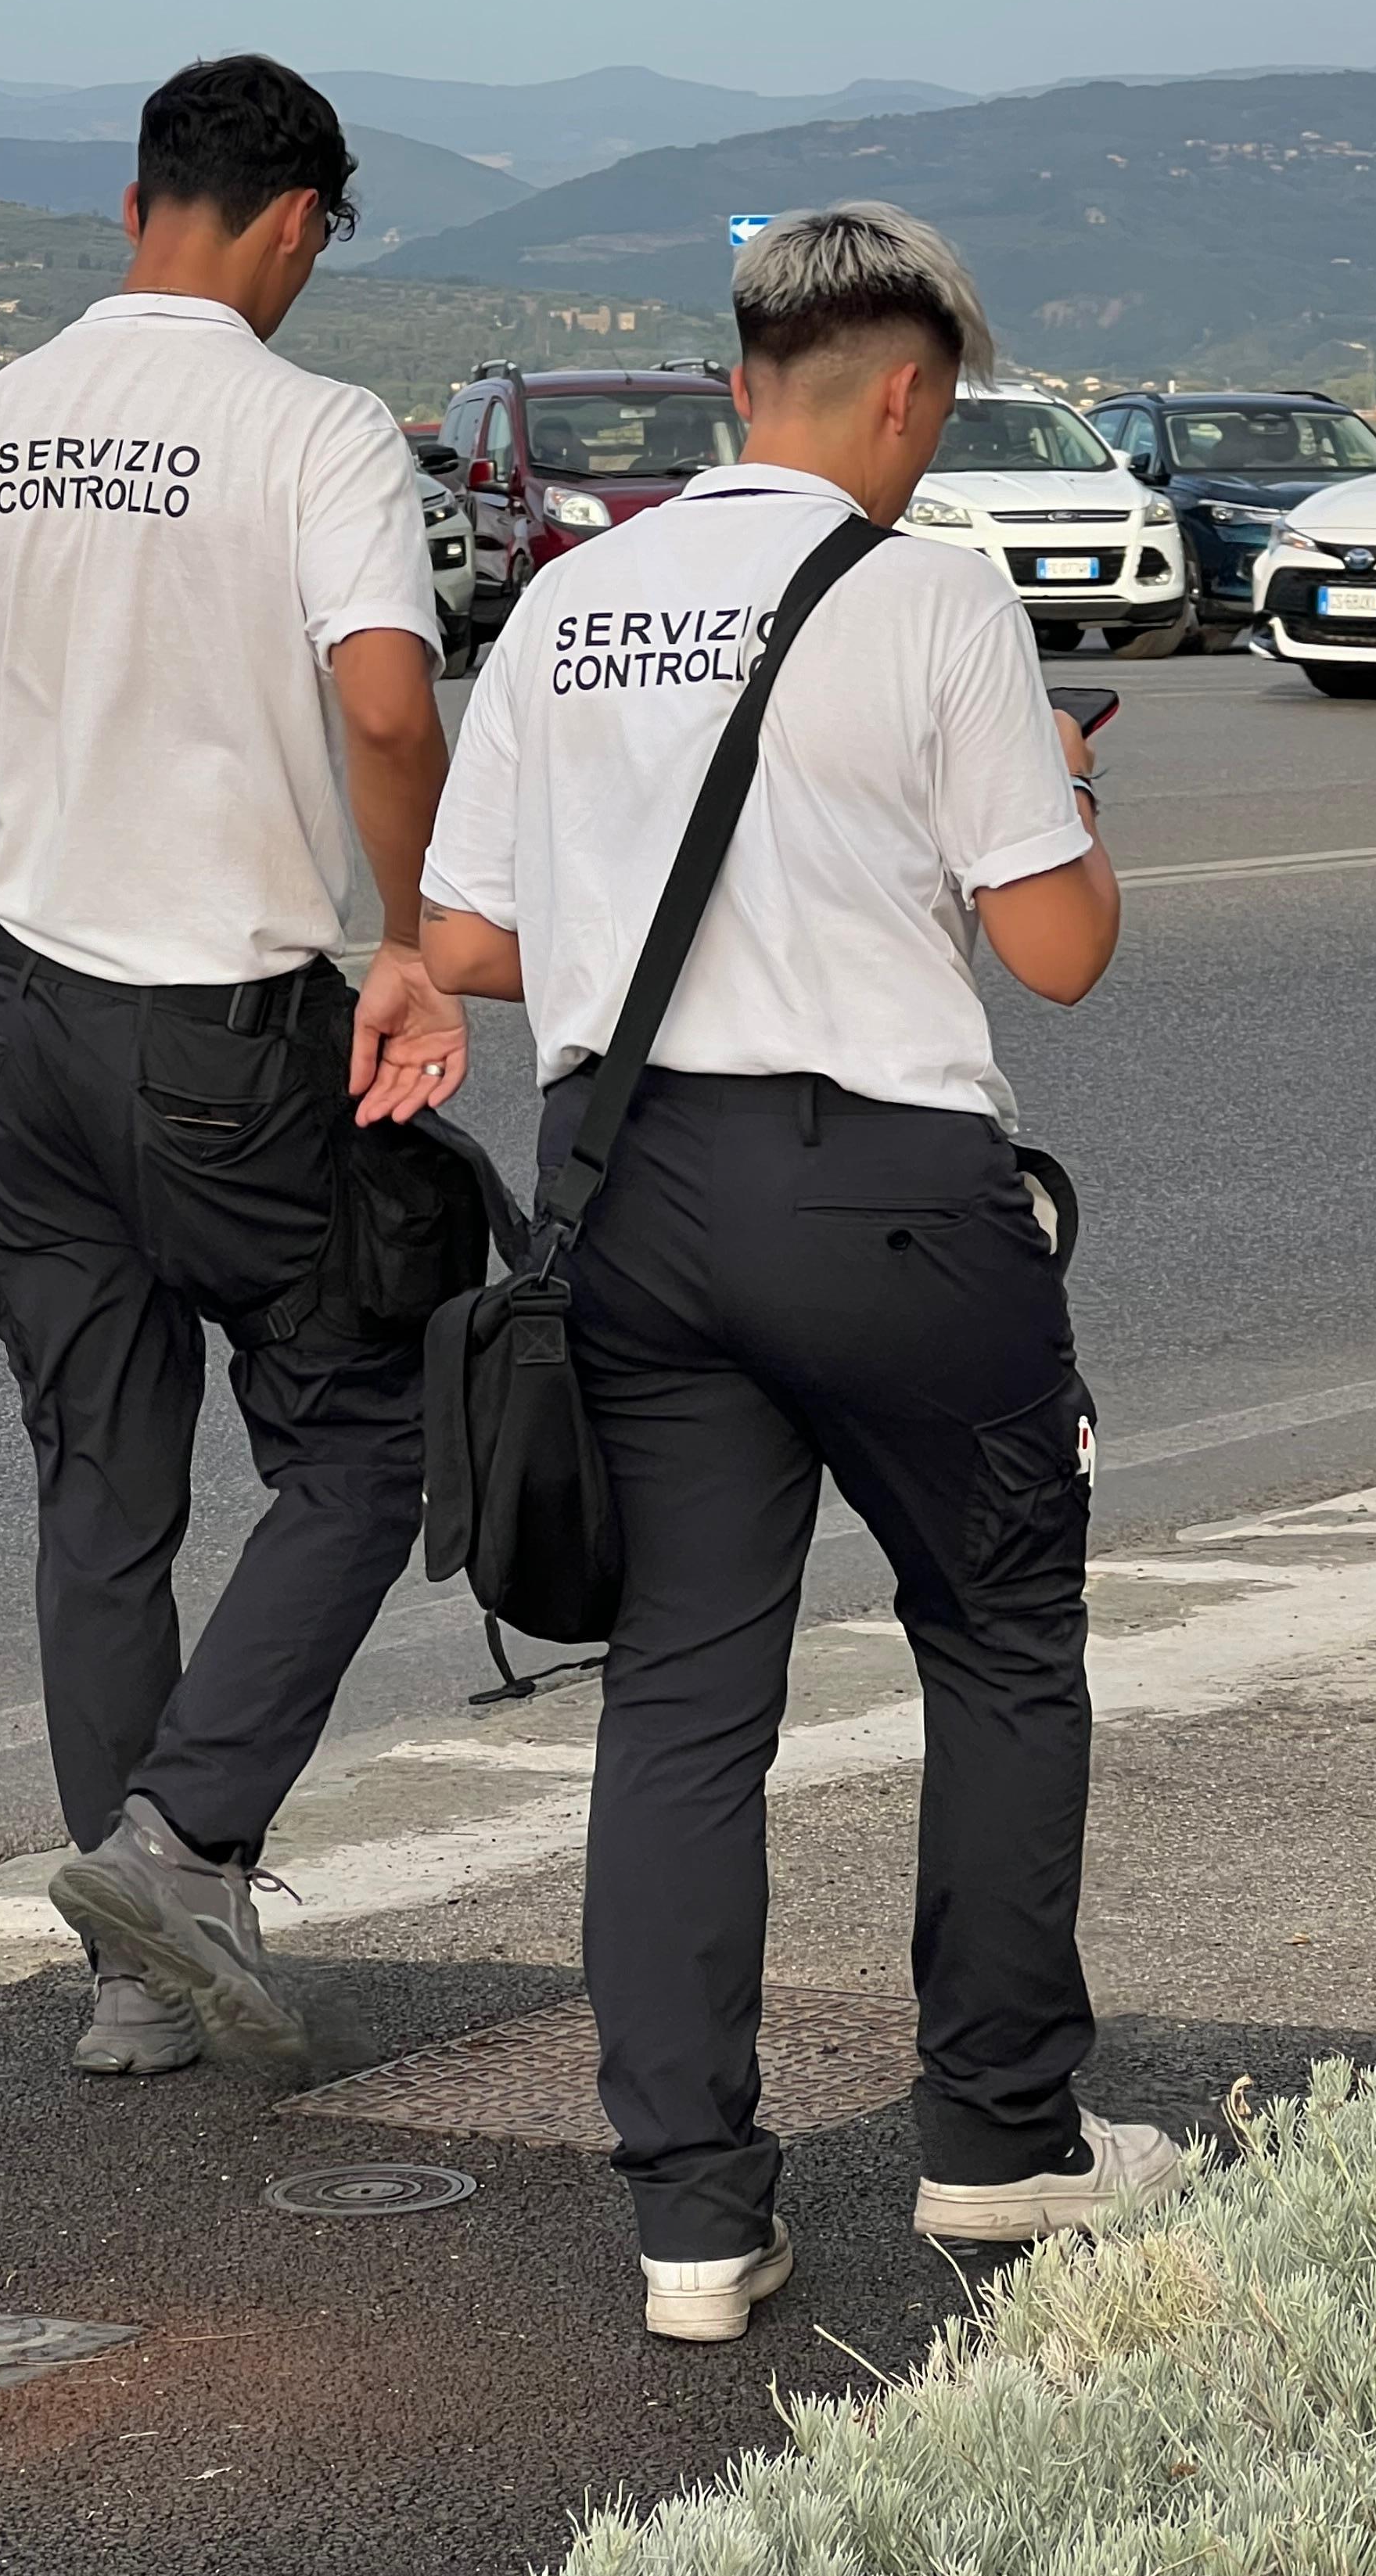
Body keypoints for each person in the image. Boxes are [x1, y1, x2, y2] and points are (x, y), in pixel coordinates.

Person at [419, 200, 1180, 2345]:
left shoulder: (569, 601)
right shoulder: (935, 596)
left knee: (683, 1694)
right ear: (907, 393)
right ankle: (1000, 2140)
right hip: (886, 1193)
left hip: (633, 1189)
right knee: (1005, 1635)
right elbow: (1060, 948)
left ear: (738, 375)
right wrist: (1065, 806)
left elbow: (475, 941)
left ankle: (691, 2220)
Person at [0, 53, 465, 2076]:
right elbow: (381, 697)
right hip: (230, 1031)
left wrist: (31, 826)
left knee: (102, 1490)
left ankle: (131, 1991)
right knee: (367, 1443)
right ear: (299, 225)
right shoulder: (314, 431)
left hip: (21, 1028)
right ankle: (184, 1851)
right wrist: (421, 936)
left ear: (133, 211)